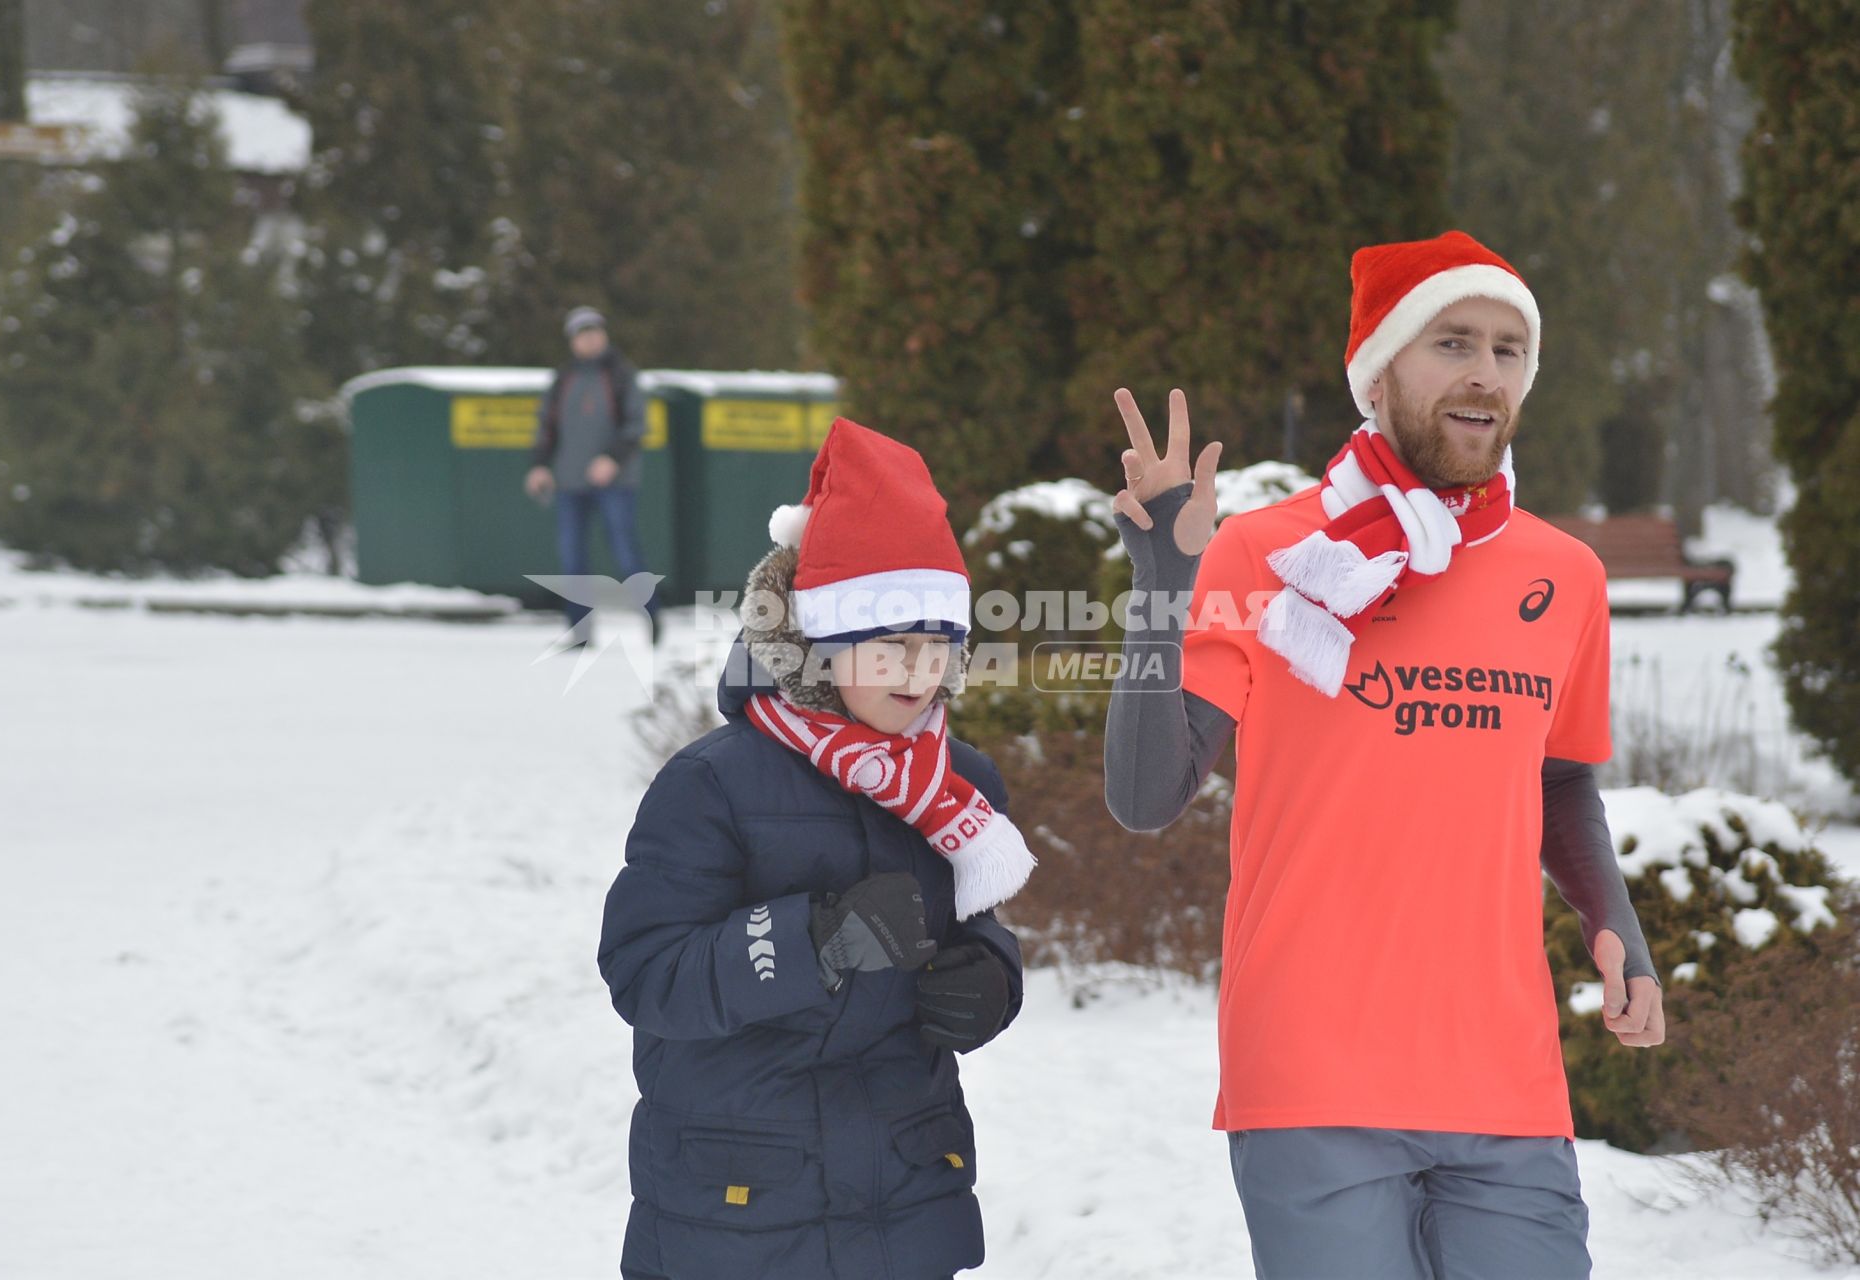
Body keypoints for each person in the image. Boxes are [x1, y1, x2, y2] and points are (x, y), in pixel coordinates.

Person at [1102, 231, 1665, 1280]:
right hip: (1312, 1074)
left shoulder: (1564, 574)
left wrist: (1613, 926)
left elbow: (1558, 778)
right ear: (1379, 371)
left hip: (1502, 1079)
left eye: (1506, 349)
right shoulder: (1266, 555)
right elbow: (1144, 792)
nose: (1483, 373)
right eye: (1450, 341)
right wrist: (1158, 582)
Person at [598, 418, 1035, 1280]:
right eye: (891, 646)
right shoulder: (714, 783)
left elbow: (982, 926)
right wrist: (814, 941)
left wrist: (990, 978)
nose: (918, 674)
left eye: (938, 644)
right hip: (740, 1213)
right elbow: (646, 973)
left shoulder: (959, 785)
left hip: (904, 1198)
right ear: (823, 644)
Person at [524, 305, 660, 643]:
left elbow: (636, 426)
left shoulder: (620, 374)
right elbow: (547, 427)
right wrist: (540, 465)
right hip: (570, 482)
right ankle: (580, 630)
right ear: (572, 341)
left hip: (616, 484)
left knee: (625, 552)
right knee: (572, 557)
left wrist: (612, 460)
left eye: (594, 332)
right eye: (582, 334)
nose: (589, 340)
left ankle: (652, 616)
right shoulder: (564, 378)